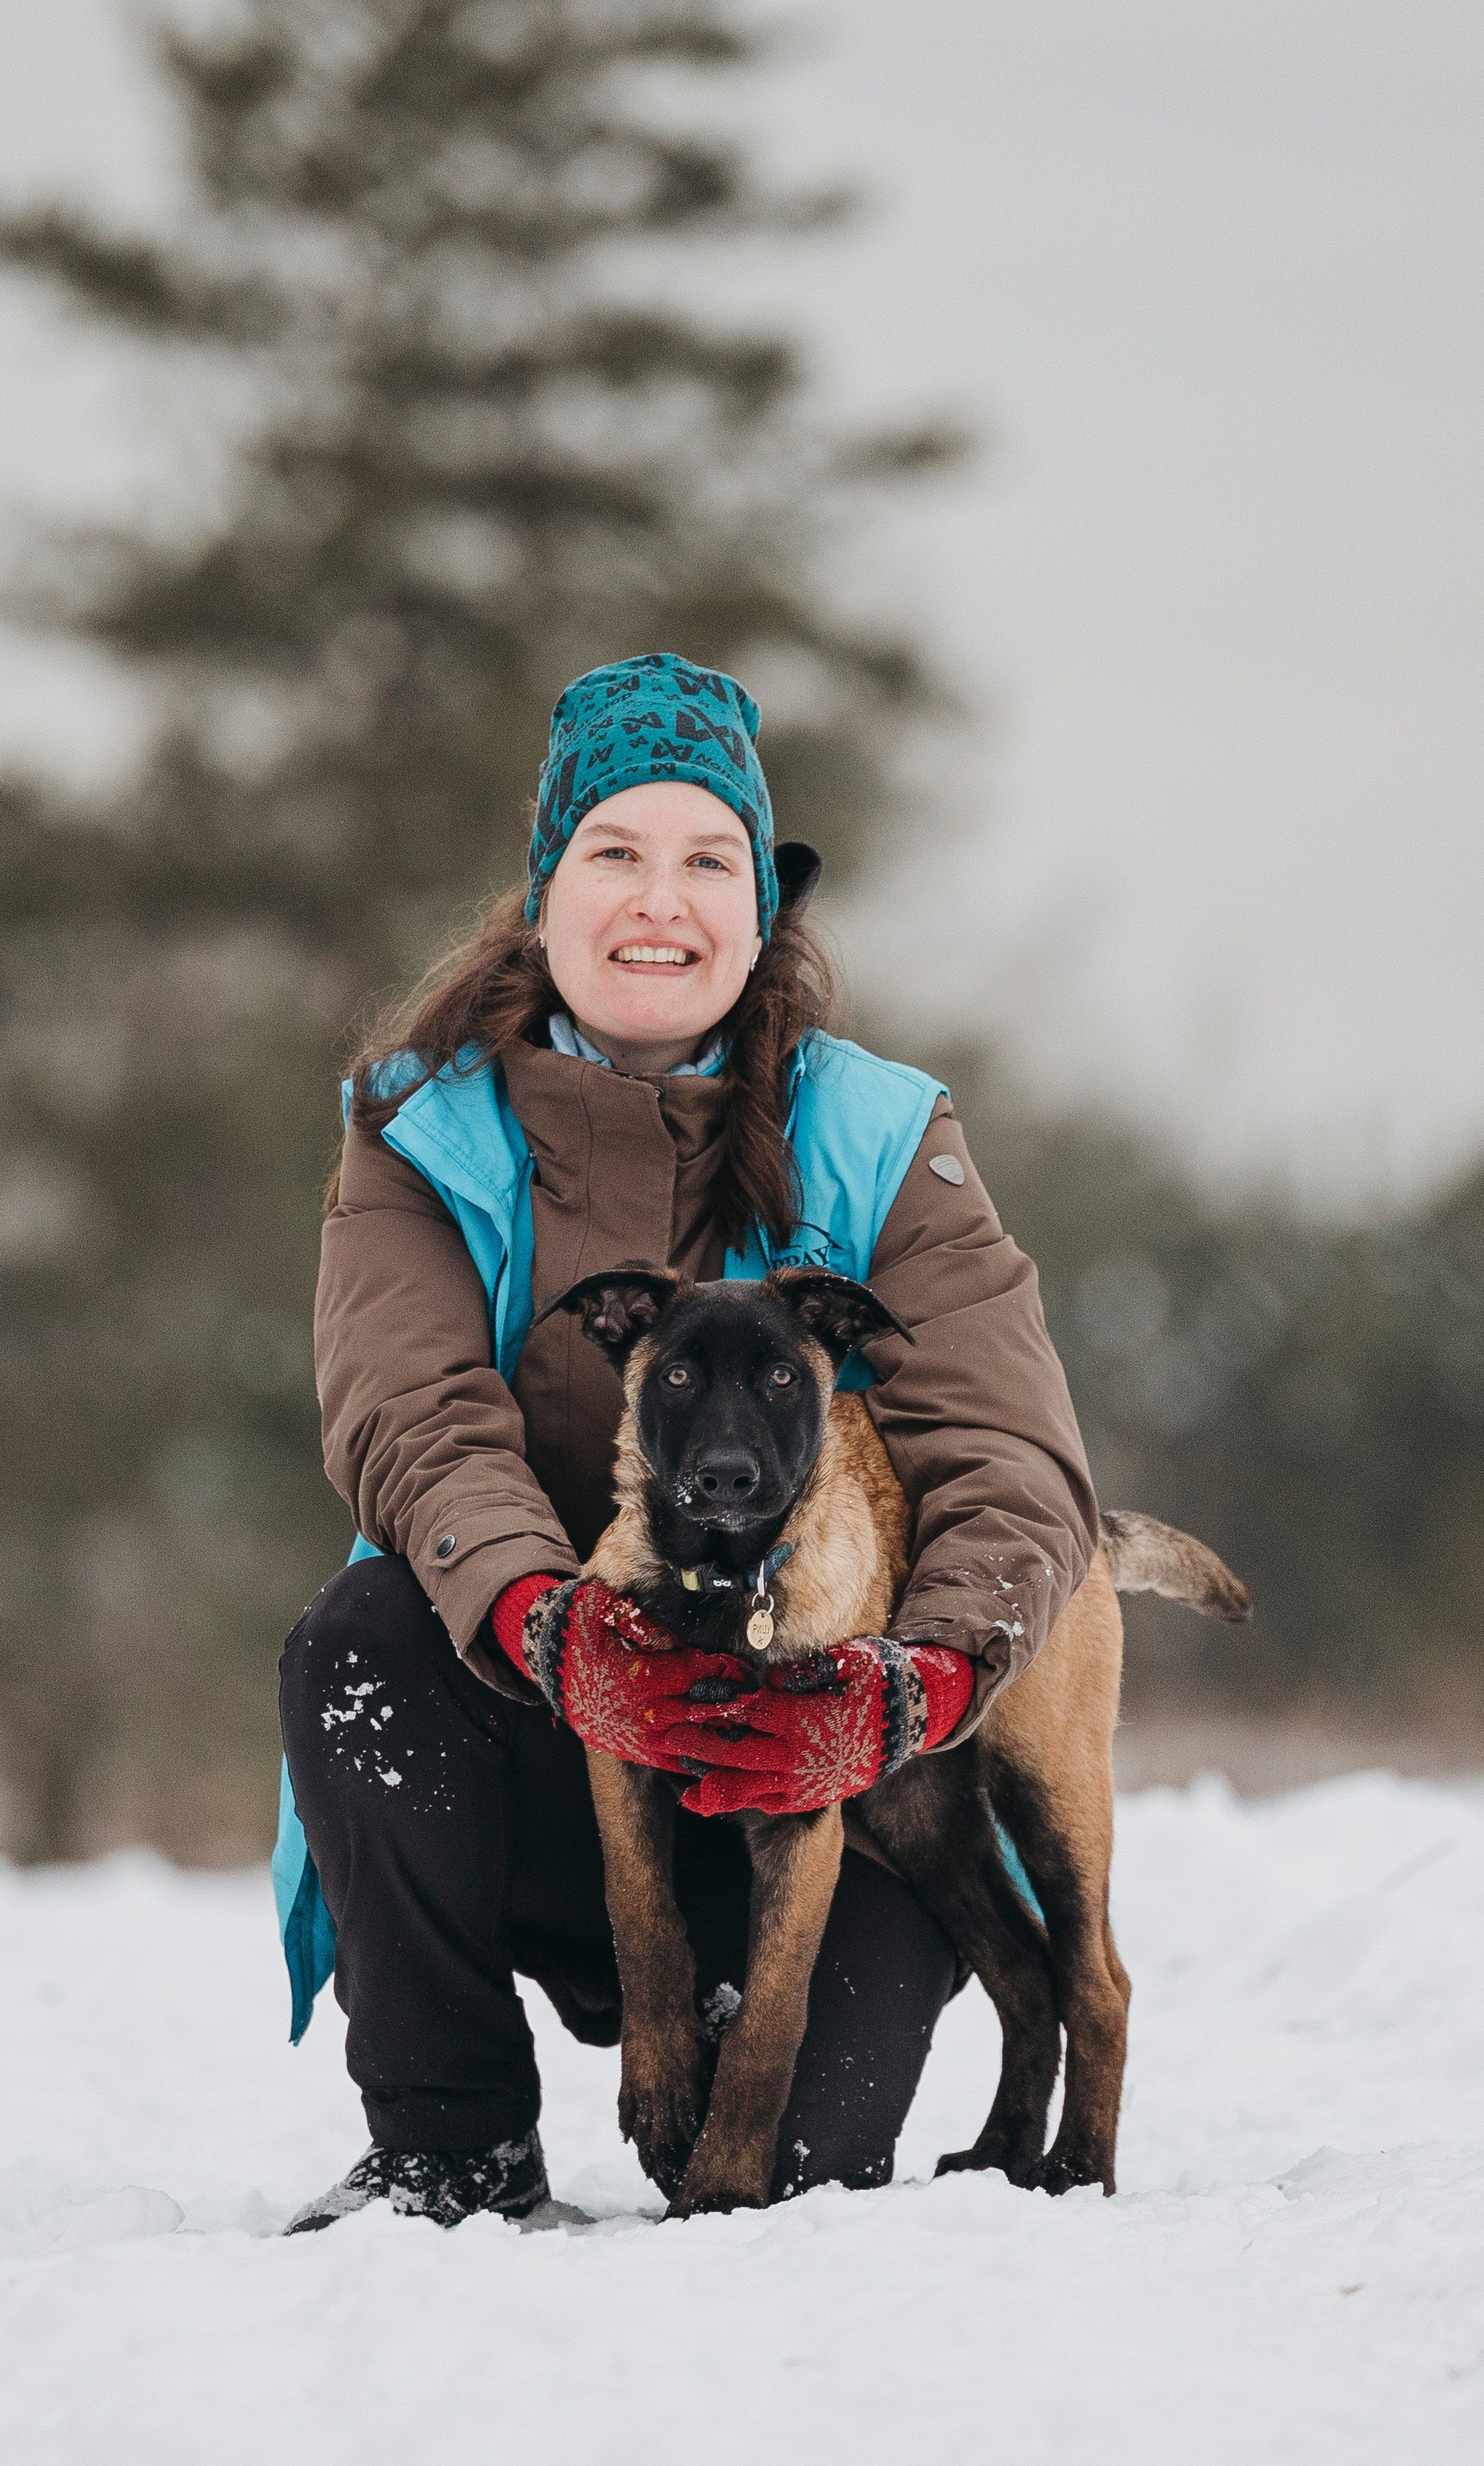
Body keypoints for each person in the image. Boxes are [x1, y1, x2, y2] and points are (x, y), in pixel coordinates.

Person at [276, 652, 1097, 2231]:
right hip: (543, 1747)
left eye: (707, 859)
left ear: (757, 903)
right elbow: (413, 1420)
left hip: (828, 1775)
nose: (662, 901)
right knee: (364, 1635)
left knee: (782, 2192)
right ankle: (447, 2143)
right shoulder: (417, 1127)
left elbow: (1011, 1459)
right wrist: (549, 1621)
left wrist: (915, 1682)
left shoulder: (880, 1132)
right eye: (617, 854)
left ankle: (755, 2010)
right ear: (546, 887)